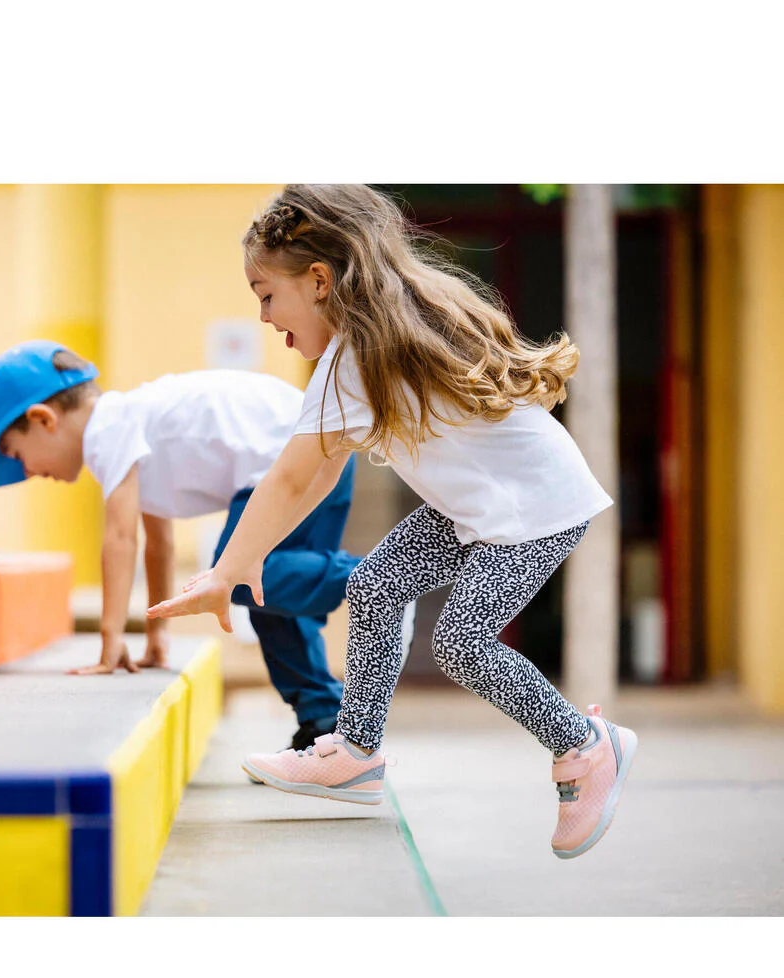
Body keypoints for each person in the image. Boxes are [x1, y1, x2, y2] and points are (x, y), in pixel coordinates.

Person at [147, 184, 637, 860]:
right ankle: (355, 753)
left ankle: (585, 746)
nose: (262, 316)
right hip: (486, 504)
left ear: (319, 281)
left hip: (535, 510)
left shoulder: (354, 358)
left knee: (462, 643)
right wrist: (247, 557)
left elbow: (292, 476)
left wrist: (225, 572)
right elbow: (318, 472)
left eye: (266, 294)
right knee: (376, 585)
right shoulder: (380, 334)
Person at [0, 339, 395, 752]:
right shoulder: (132, 426)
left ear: (43, 419)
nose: (27, 471)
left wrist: (111, 640)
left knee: (232, 574)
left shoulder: (107, 430)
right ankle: (322, 719)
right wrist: (157, 634)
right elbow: (158, 545)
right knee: (268, 596)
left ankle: (382, 578)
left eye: (16, 453)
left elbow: (121, 539)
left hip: (296, 461)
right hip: (320, 455)